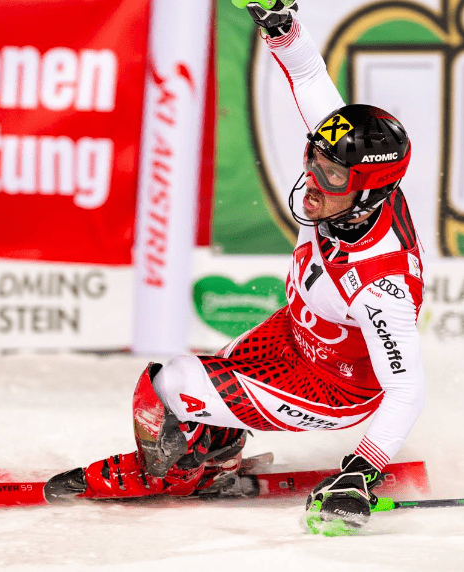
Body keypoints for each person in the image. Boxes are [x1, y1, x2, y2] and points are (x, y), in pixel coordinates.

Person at [45, 0, 425, 532]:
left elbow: (407, 388)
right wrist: (281, 24)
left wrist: (359, 473)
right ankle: (213, 459)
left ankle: (167, 478)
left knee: (164, 384)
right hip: (293, 336)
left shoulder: (382, 283)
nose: (314, 181)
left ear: (369, 193)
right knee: (202, 386)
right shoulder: (349, 175)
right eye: (313, 160)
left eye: (333, 178)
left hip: (331, 387)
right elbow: (310, 73)